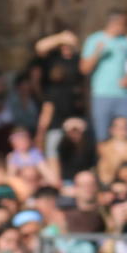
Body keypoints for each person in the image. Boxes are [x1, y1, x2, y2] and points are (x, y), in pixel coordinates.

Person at [80, 9, 127, 141]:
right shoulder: (95, 39)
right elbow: (84, 68)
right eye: (124, 23)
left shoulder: (126, 42)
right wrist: (97, 52)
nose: (125, 27)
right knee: (102, 136)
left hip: (124, 95)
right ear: (115, 23)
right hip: (102, 94)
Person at [33, 29, 84, 160]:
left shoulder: (78, 60)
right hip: (54, 107)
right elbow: (40, 47)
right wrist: (60, 37)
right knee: (53, 147)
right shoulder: (53, 58)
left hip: (73, 109)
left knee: (75, 149)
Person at [96, 114, 127, 187]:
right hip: (112, 185)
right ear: (111, 129)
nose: (122, 130)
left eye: (125, 127)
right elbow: (103, 170)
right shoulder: (103, 147)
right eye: (119, 127)